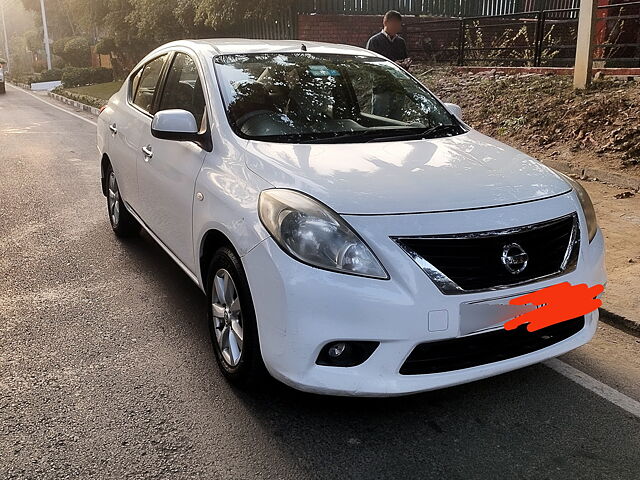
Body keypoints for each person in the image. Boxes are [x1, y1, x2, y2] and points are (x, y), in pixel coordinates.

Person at [365, 10, 411, 120]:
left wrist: (406, 63)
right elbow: (370, 65)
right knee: (378, 117)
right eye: (394, 23)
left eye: (398, 24)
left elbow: (404, 59)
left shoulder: (401, 42)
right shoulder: (374, 41)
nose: (396, 27)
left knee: (397, 118)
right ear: (385, 22)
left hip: (398, 86)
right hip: (381, 87)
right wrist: (391, 64)